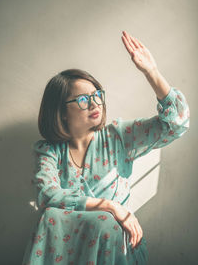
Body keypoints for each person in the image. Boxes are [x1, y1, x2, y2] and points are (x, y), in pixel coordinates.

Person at [22, 31, 190, 265]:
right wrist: (110, 206)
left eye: (97, 95)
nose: (94, 103)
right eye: (82, 99)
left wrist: (151, 72)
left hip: (112, 249)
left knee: (106, 222)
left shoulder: (118, 136)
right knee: (51, 216)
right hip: (67, 250)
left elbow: (176, 122)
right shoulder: (49, 150)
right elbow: (47, 194)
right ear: (61, 112)